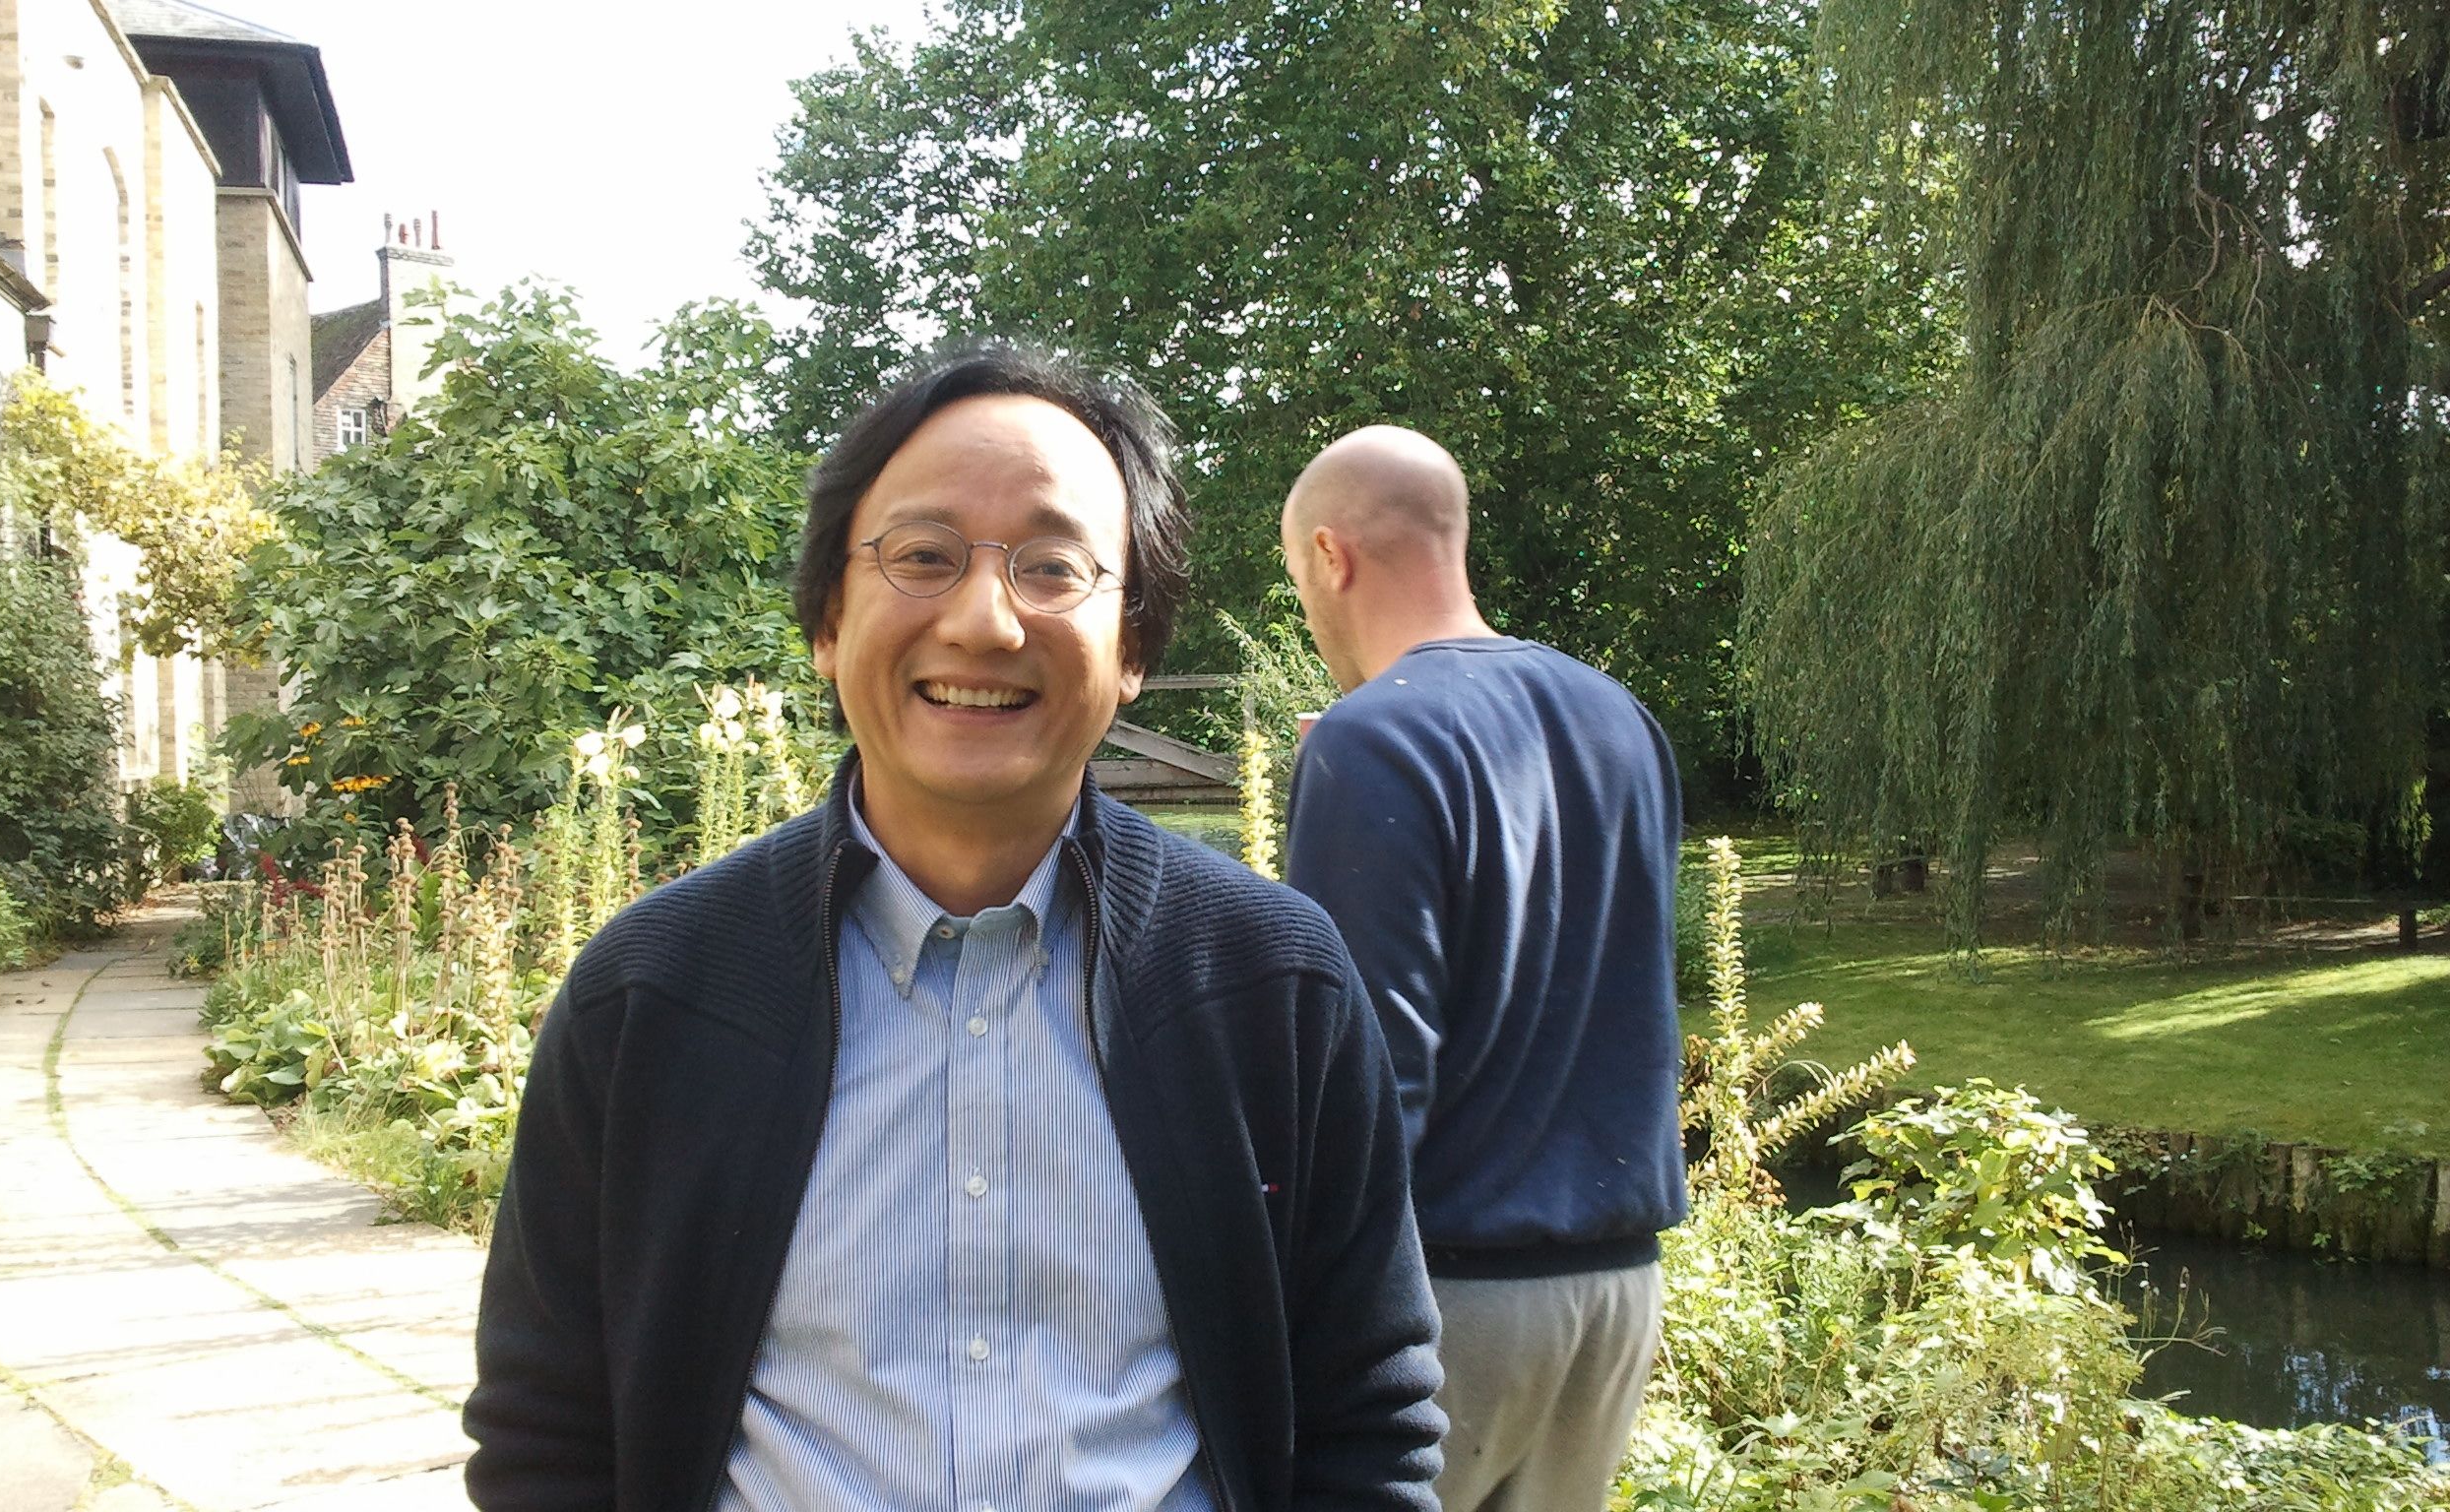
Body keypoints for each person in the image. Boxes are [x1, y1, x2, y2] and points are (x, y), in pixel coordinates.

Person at [465, 345, 1446, 1512]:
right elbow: (546, 1434)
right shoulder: (653, 996)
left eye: (1053, 567)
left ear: (1132, 645)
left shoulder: (1269, 985)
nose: (984, 623)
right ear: (827, 621)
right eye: (924, 557)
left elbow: (1365, 1418)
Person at [1277, 426, 1686, 1512]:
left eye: (1298, 580)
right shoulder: (1620, 719)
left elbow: (1368, 1069)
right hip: (1618, 1295)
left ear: (1330, 556)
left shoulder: (1370, 741)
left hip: (1449, 1300)